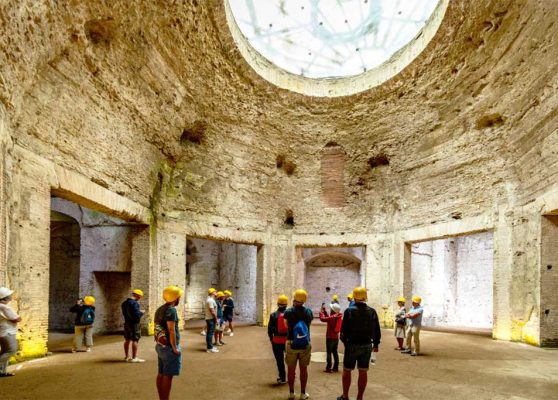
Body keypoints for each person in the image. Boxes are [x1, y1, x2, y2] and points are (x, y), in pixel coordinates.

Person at [337, 287, 381, 400]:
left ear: (354, 297)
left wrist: (346, 343)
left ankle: (345, 396)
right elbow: (376, 329)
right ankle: (359, 397)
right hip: (367, 345)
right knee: (363, 371)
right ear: (365, 297)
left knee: (347, 370)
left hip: (351, 344)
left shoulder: (349, 311)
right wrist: (376, 344)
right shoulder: (372, 311)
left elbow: (343, 332)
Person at [154, 285, 184, 400]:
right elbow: (171, 330)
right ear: (175, 298)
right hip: (169, 348)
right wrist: (175, 348)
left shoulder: (160, 309)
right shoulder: (171, 310)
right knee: (168, 375)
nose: (179, 299)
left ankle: (162, 398)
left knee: (161, 373)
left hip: (160, 346)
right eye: (178, 297)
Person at [283, 289, 313, 400]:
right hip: (305, 344)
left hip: (291, 343)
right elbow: (309, 324)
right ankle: (303, 393)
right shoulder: (309, 312)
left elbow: (286, 326)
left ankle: (291, 393)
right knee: (303, 369)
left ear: (294, 298)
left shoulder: (289, 312)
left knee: (291, 369)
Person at [268, 294, 289, 385]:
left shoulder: (273, 315)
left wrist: (271, 340)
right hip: (288, 341)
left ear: (277, 304)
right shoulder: (289, 314)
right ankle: (292, 375)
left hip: (276, 341)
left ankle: (283, 378)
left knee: (279, 361)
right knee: (290, 359)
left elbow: (269, 330)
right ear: (286, 305)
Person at [0, 287, 21, 378]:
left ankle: (2, 372)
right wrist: (17, 319)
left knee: (5, 351)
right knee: (12, 350)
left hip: (3, 331)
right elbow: (16, 319)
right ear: (4, 298)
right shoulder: (5, 307)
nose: (10, 297)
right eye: (9, 295)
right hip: (7, 332)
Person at [121, 288, 145, 362]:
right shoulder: (134, 303)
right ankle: (134, 358)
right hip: (134, 324)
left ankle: (126, 357)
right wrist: (141, 312)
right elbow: (136, 316)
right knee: (135, 340)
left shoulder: (124, 303)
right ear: (137, 295)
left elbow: (126, 313)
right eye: (140, 297)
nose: (140, 298)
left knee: (127, 339)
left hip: (127, 322)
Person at [319, 302, 342, 373]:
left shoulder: (332, 317)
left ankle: (328, 368)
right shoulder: (337, 316)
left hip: (330, 337)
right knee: (335, 351)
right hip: (335, 337)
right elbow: (328, 318)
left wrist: (321, 313)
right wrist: (325, 311)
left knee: (329, 352)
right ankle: (335, 367)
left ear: (333, 310)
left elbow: (323, 319)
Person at [204, 287, 219, 353]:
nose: (216, 292)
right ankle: (209, 348)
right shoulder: (210, 300)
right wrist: (216, 319)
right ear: (212, 293)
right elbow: (212, 311)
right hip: (211, 319)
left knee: (209, 333)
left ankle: (210, 346)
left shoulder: (210, 300)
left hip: (209, 319)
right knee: (210, 333)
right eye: (215, 291)